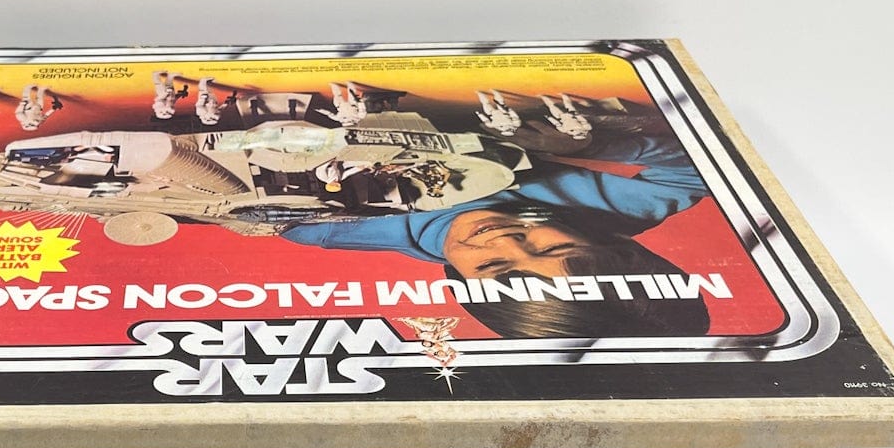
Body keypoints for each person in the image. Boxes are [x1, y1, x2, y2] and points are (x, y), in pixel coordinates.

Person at [278, 129, 713, 337]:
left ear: (463, 286)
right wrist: (594, 143)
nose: (505, 240)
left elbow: (284, 218)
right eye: (555, 247)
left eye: (493, 265)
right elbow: (701, 170)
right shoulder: (608, 213)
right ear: (607, 243)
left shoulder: (332, 232)